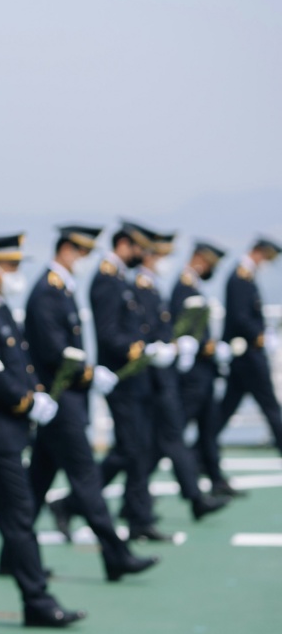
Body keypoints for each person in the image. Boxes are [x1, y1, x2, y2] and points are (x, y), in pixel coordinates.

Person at [0, 233, 84, 628]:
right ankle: (37, 602)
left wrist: (36, 390)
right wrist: (26, 402)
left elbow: (17, 362)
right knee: (19, 521)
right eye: (11, 266)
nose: (17, 274)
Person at [4, 225, 157, 582]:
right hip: (61, 405)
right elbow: (55, 353)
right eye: (83, 253)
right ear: (68, 250)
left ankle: (10, 558)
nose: (87, 261)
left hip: (64, 403)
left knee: (36, 484)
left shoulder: (61, 289)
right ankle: (115, 556)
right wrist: (90, 374)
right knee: (87, 482)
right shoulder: (47, 293)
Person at [88, 222, 175, 542]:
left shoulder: (119, 278)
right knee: (131, 450)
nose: (143, 255)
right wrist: (140, 349)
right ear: (125, 244)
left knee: (137, 449)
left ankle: (135, 516)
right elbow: (109, 332)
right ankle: (78, 503)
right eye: (139, 248)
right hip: (121, 379)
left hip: (135, 378)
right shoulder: (107, 279)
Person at [135, 232, 228, 520]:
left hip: (172, 376)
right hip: (167, 378)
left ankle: (197, 492)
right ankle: (193, 497)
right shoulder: (165, 287)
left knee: (167, 439)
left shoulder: (158, 286)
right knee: (163, 441)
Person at [170, 241, 238, 496]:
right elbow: (182, 328)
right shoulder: (183, 287)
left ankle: (216, 479)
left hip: (204, 372)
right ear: (199, 259)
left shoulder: (193, 285)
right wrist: (203, 347)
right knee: (173, 433)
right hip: (192, 374)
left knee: (209, 429)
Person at [214, 237, 282, 460]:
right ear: (258, 252)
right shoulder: (241, 277)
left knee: (227, 409)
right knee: (270, 405)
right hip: (249, 355)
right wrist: (261, 336)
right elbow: (241, 317)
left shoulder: (245, 276)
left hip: (244, 356)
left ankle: (200, 451)